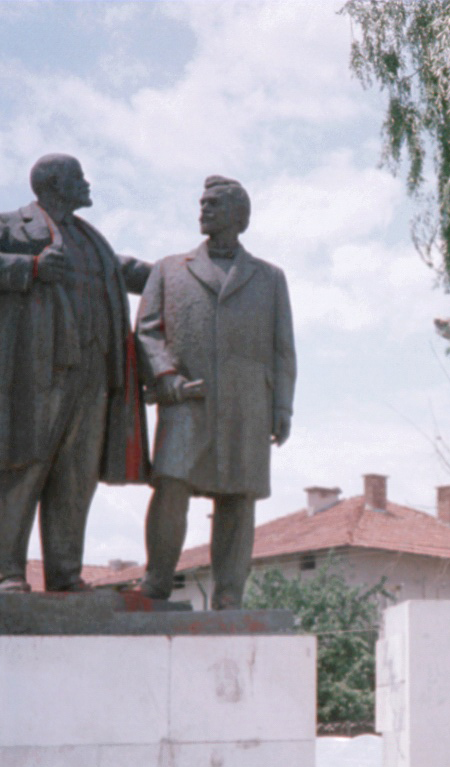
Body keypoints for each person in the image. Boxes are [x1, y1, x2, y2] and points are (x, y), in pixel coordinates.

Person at [0, 154, 151, 592]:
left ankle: (65, 574)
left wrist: (179, 275)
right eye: (79, 177)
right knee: (21, 471)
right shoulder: (11, 225)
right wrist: (29, 268)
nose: (87, 182)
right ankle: (5, 573)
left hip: (95, 375)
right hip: (36, 375)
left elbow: (129, 271)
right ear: (56, 184)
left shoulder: (90, 240)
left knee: (76, 478)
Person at [135, 176, 296, 608]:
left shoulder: (270, 277)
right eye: (201, 203)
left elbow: (283, 349)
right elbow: (147, 332)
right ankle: (157, 581)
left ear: (239, 217)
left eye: (214, 204)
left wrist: (282, 405)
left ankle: (229, 595)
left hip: (249, 403)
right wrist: (164, 375)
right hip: (189, 396)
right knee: (170, 484)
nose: (203, 210)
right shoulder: (170, 268)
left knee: (238, 498)